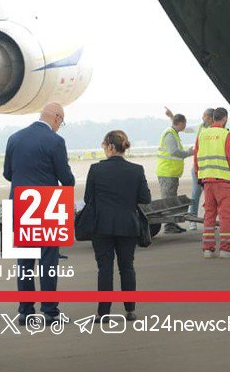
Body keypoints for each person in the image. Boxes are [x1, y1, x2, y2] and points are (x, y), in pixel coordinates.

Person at [3, 102, 75, 324]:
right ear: (56, 117)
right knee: (48, 261)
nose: (59, 126)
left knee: (24, 261)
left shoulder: (14, 138)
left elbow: (7, 173)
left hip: (22, 204)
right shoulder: (55, 141)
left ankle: (25, 311)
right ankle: (50, 311)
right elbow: (66, 178)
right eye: (61, 122)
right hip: (47, 206)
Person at [85, 130, 151, 320]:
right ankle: (130, 310)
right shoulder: (137, 170)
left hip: (102, 226)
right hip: (128, 225)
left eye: (104, 146)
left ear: (111, 147)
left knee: (104, 269)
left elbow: (88, 198)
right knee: (127, 267)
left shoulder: (96, 169)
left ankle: (103, 313)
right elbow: (145, 198)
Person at [194, 108, 230, 258]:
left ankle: (207, 249)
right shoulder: (226, 135)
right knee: (225, 215)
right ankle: (225, 249)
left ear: (213, 118)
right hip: (223, 181)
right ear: (225, 118)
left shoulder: (202, 134)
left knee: (209, 214)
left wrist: (199, 177)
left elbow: (196, 158)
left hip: (207, 181)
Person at [156, 113, 192, 234]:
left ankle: (172, 223)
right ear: (181, 123)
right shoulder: (170, 133)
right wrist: (188, 152)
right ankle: (169, 226)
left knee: (171, 199)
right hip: (167, 172)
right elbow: (174, 151)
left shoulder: (173, 133)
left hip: (171, 172)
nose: (185, 126)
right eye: (185, 123)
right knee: (168, 199)